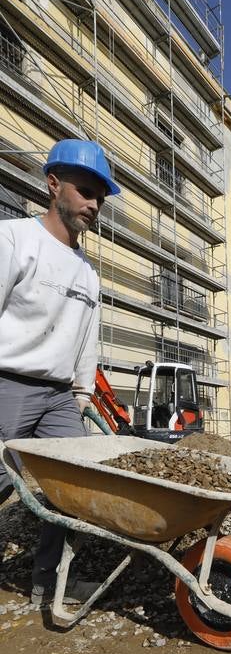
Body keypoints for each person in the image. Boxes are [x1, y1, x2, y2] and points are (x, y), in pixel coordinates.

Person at [0, 138, 121, 607]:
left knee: (74, 484)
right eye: (86, 191)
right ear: (53, 185)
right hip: (8, 382)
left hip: (57, 396)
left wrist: (83, 393)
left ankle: (50, 581)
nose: (94, 205)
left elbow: (85, 339)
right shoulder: (14, 239)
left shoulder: (88, 273)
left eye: (100, 198)